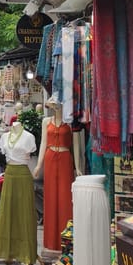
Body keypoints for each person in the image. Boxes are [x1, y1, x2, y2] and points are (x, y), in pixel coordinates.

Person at [0, 116, 38, 265]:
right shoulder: (5, 137)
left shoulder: (29, 137)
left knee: (24, 213)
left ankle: (26, 253)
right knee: (7, 211)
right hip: (9, 174)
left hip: (23, 174)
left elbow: (29, 156)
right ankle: (7, 251)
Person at [33, 94, 75, 253]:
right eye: (53, 105)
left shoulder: (70, 124)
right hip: (50, 158)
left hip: (65, 159)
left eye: (57, 105)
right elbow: (43, 143)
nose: (54, 108)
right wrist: (38, 165)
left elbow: (74, 147)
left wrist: (78, 167)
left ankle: (66, 240)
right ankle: (50, 240)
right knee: (50, 198)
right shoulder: (46, 122)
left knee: (65, 198)